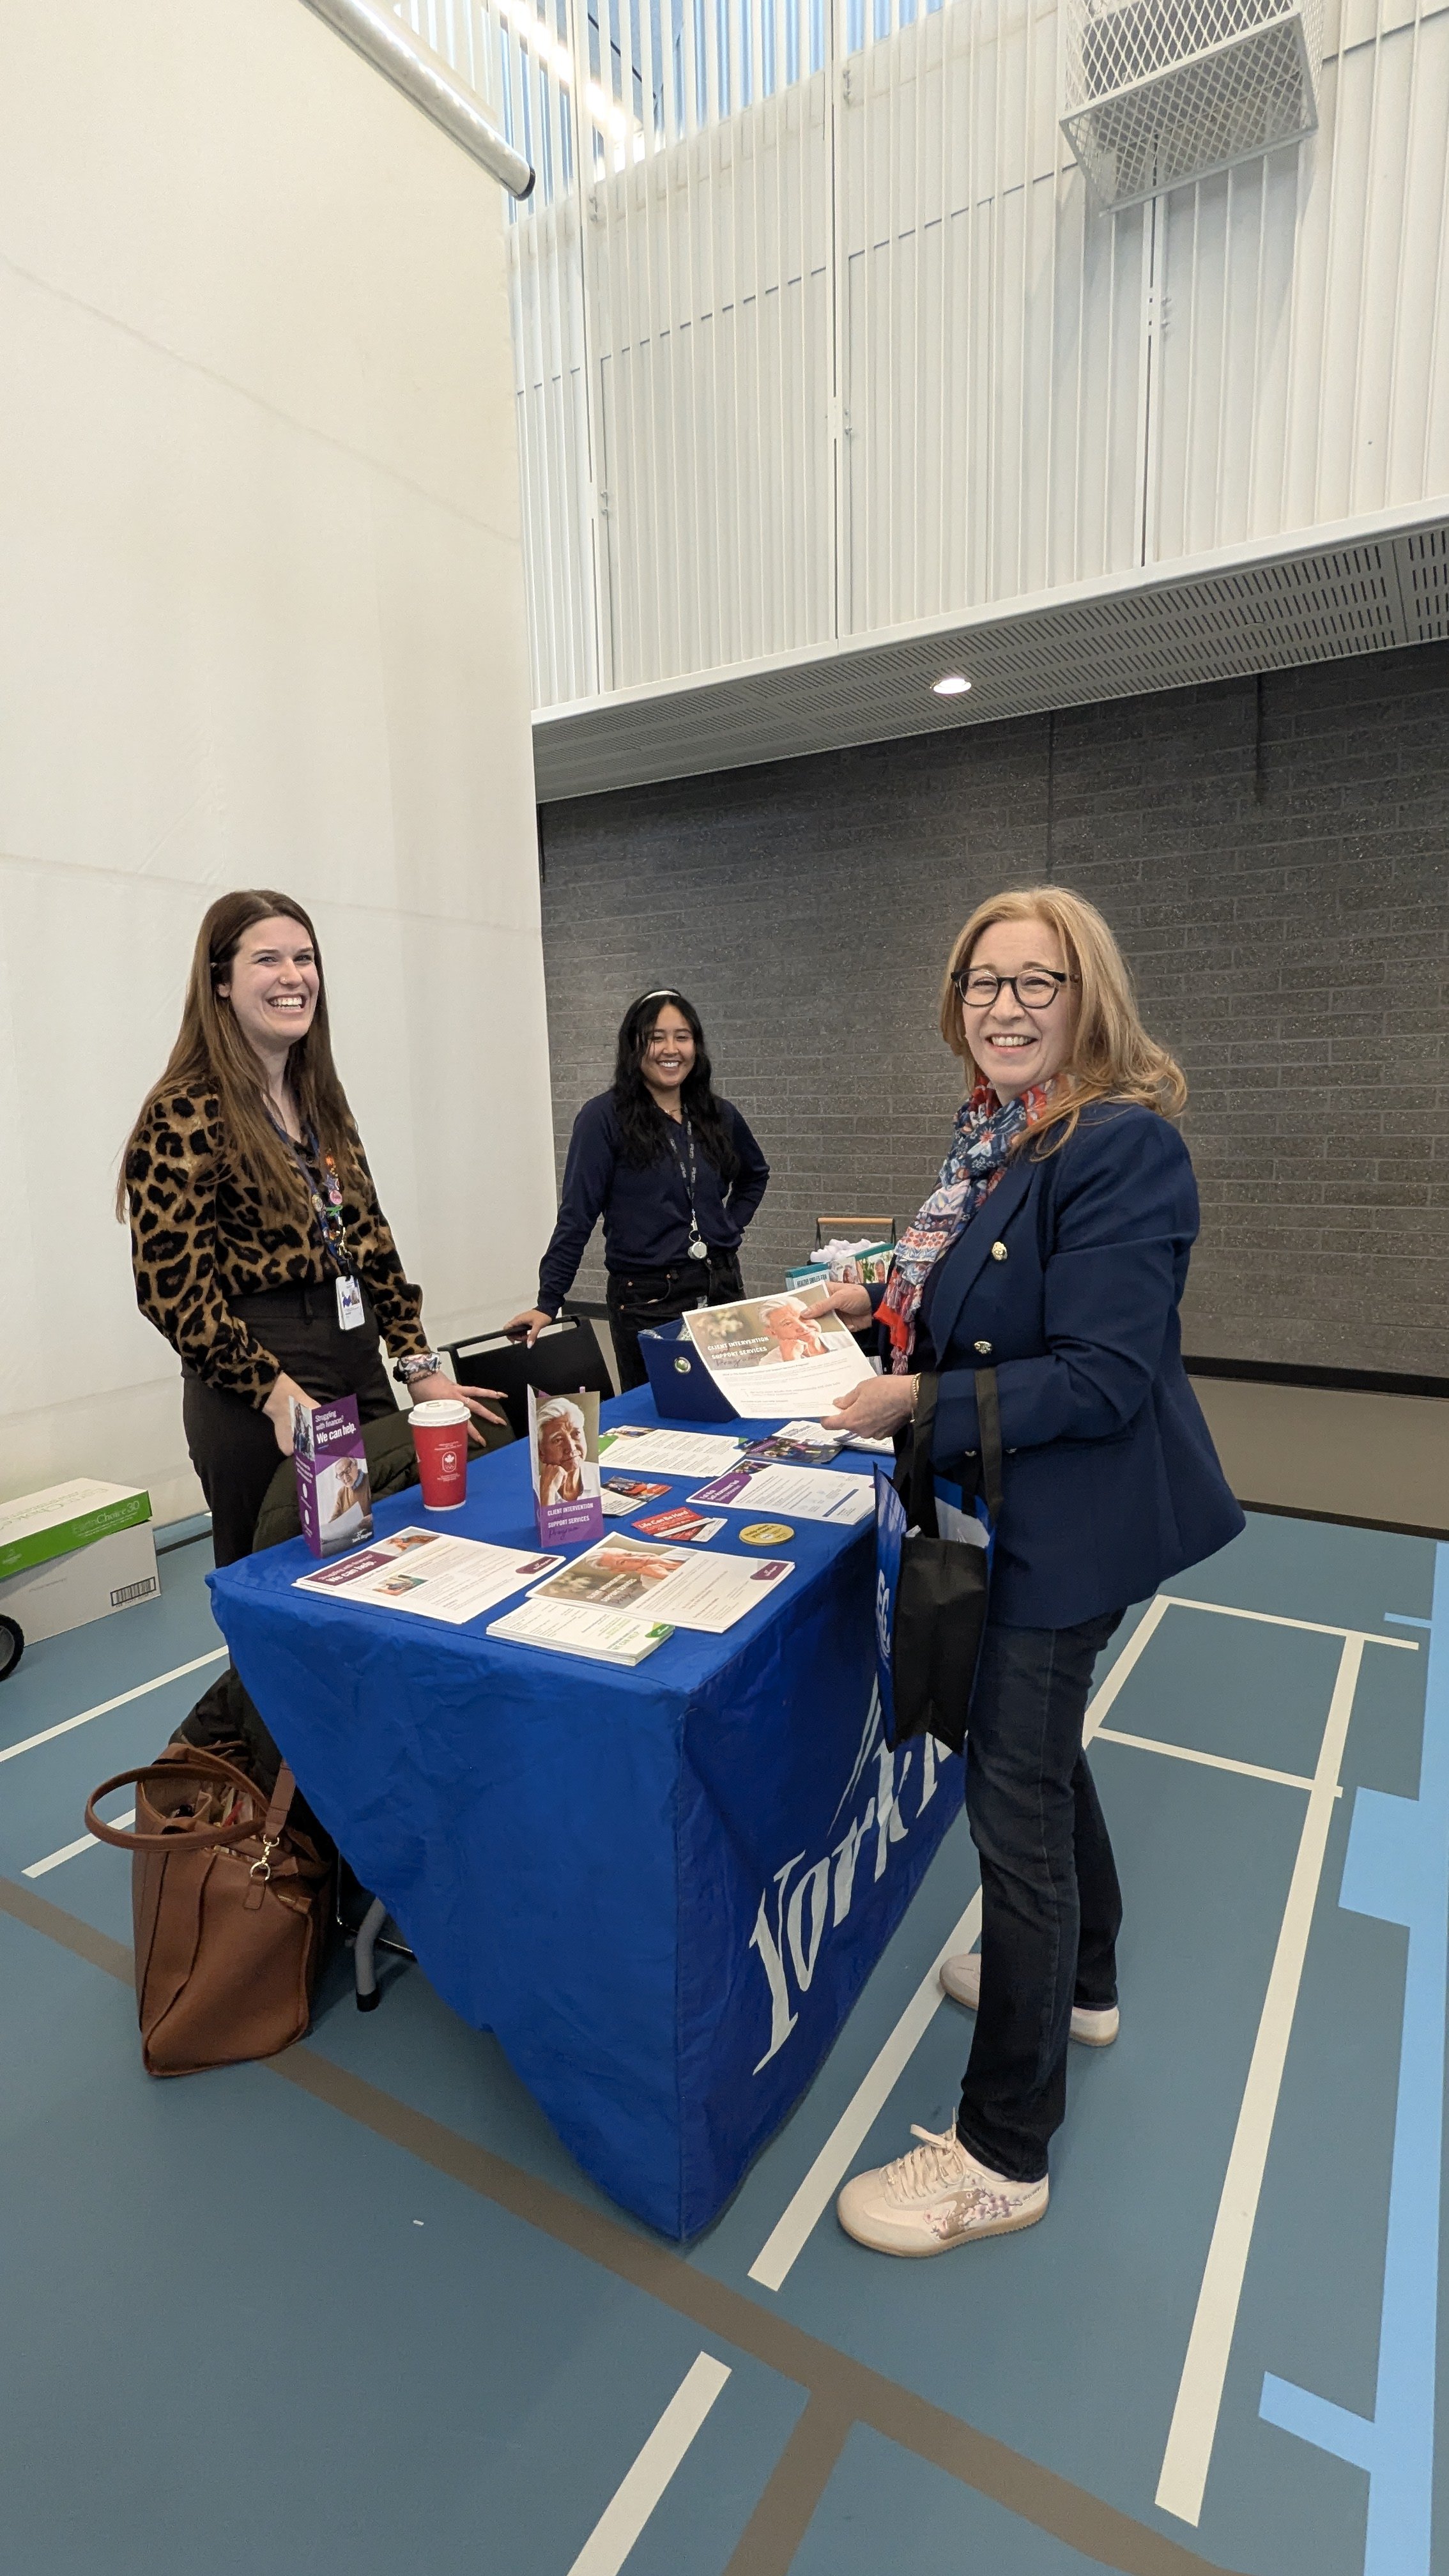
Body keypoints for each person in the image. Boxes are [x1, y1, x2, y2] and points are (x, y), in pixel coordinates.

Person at [820, 884, 1243, 2258]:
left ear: (1086, 1001)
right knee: (1044, 1763)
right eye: (983, 984)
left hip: (1070, 1529)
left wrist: (914, 1406)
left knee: (1015, 1815)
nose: (1004, 1006)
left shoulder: (1120, 1148)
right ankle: (1087, 1987)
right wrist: (876, 1296)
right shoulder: (997, 1142)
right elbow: (978, 1297)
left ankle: (1003, 2151)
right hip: (1020, 1516)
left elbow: (1105, 1375)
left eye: (1035, 983)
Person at [120, 889, 505, 1568]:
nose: (293, 977)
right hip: (254, 1380)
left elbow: (373, 1245)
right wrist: (274, 1395)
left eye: (305, 958)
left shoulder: (319, 1100)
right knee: (283, 1581)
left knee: (392, 1565)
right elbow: (172, 1293)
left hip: (352, 1352)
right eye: (266, 960)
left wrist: (417, 1365)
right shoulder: (184, 1111)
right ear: (220, 981)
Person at [507, 989, 770, 1392]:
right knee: (660, 1421)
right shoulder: (603, 1119)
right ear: (634, 1045)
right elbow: (577, 1216)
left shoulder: (718, 1114)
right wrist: (549, 1301)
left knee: (735, 1403)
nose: (671, 1049)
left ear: (695, 1045)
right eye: (655, 1036)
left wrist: (726, 1226)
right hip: (649, 1299)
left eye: (682, 1037)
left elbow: (755, 1175)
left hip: (721, 1286)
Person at [535, 1395, 590, 1506]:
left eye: (576, 1434)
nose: (571, 1448)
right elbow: (548, 1524)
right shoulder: (534, 1492)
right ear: (541, 1453)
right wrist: (548, 1493)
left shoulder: (599, 1476)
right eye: (558, 1440)